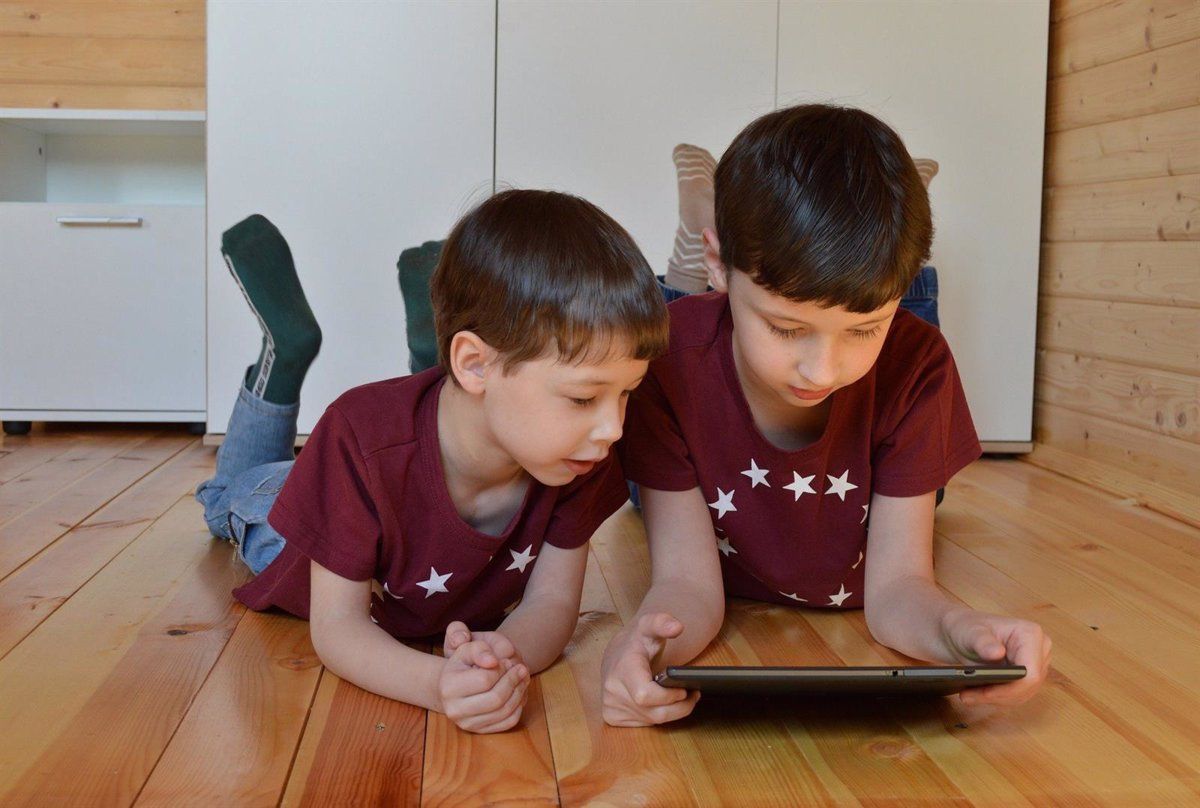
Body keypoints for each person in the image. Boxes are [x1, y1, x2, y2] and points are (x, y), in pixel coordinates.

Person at [601, 104, 1052, 727]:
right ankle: (699, 235)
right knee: (659, 322)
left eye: (864, 329)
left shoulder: (916, 365)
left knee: (900, 314)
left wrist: (962, 630)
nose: (821, 371)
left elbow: (896, 590)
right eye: (787, 328)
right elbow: (688, 583)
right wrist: (649, 648)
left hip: (844, 436)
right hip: (692, 408)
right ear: (723, 265)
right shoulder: (669, 363)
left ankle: (879, 242)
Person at [195, 190, 669, 733]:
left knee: (425, 436)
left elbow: (553, 605)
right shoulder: (358, 435)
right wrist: (437, 685)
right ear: (476, 364)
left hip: (422, 454)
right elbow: (338, 628)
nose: (614, 428)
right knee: (229, 493)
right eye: (584, 398)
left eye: (628, 393)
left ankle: (430, 361)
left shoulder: (579, 452)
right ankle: (284, 351)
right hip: (299, 511)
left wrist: (495, 661)